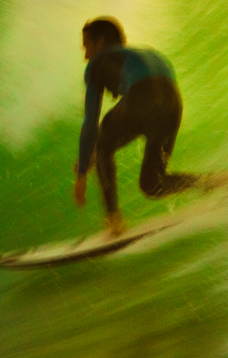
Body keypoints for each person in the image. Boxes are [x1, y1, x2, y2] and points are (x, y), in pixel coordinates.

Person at [73, 17, 212, 236]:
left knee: (101, 140)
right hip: (172, 101)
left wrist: (82, 173)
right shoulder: (145, 53)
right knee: (152, 183)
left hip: (142, 95)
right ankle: (211, 181)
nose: (86, 55)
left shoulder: (98, 62)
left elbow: (91, 120)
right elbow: (153, 97)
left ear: (100, 42)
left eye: (87, 46)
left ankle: (114, 221)